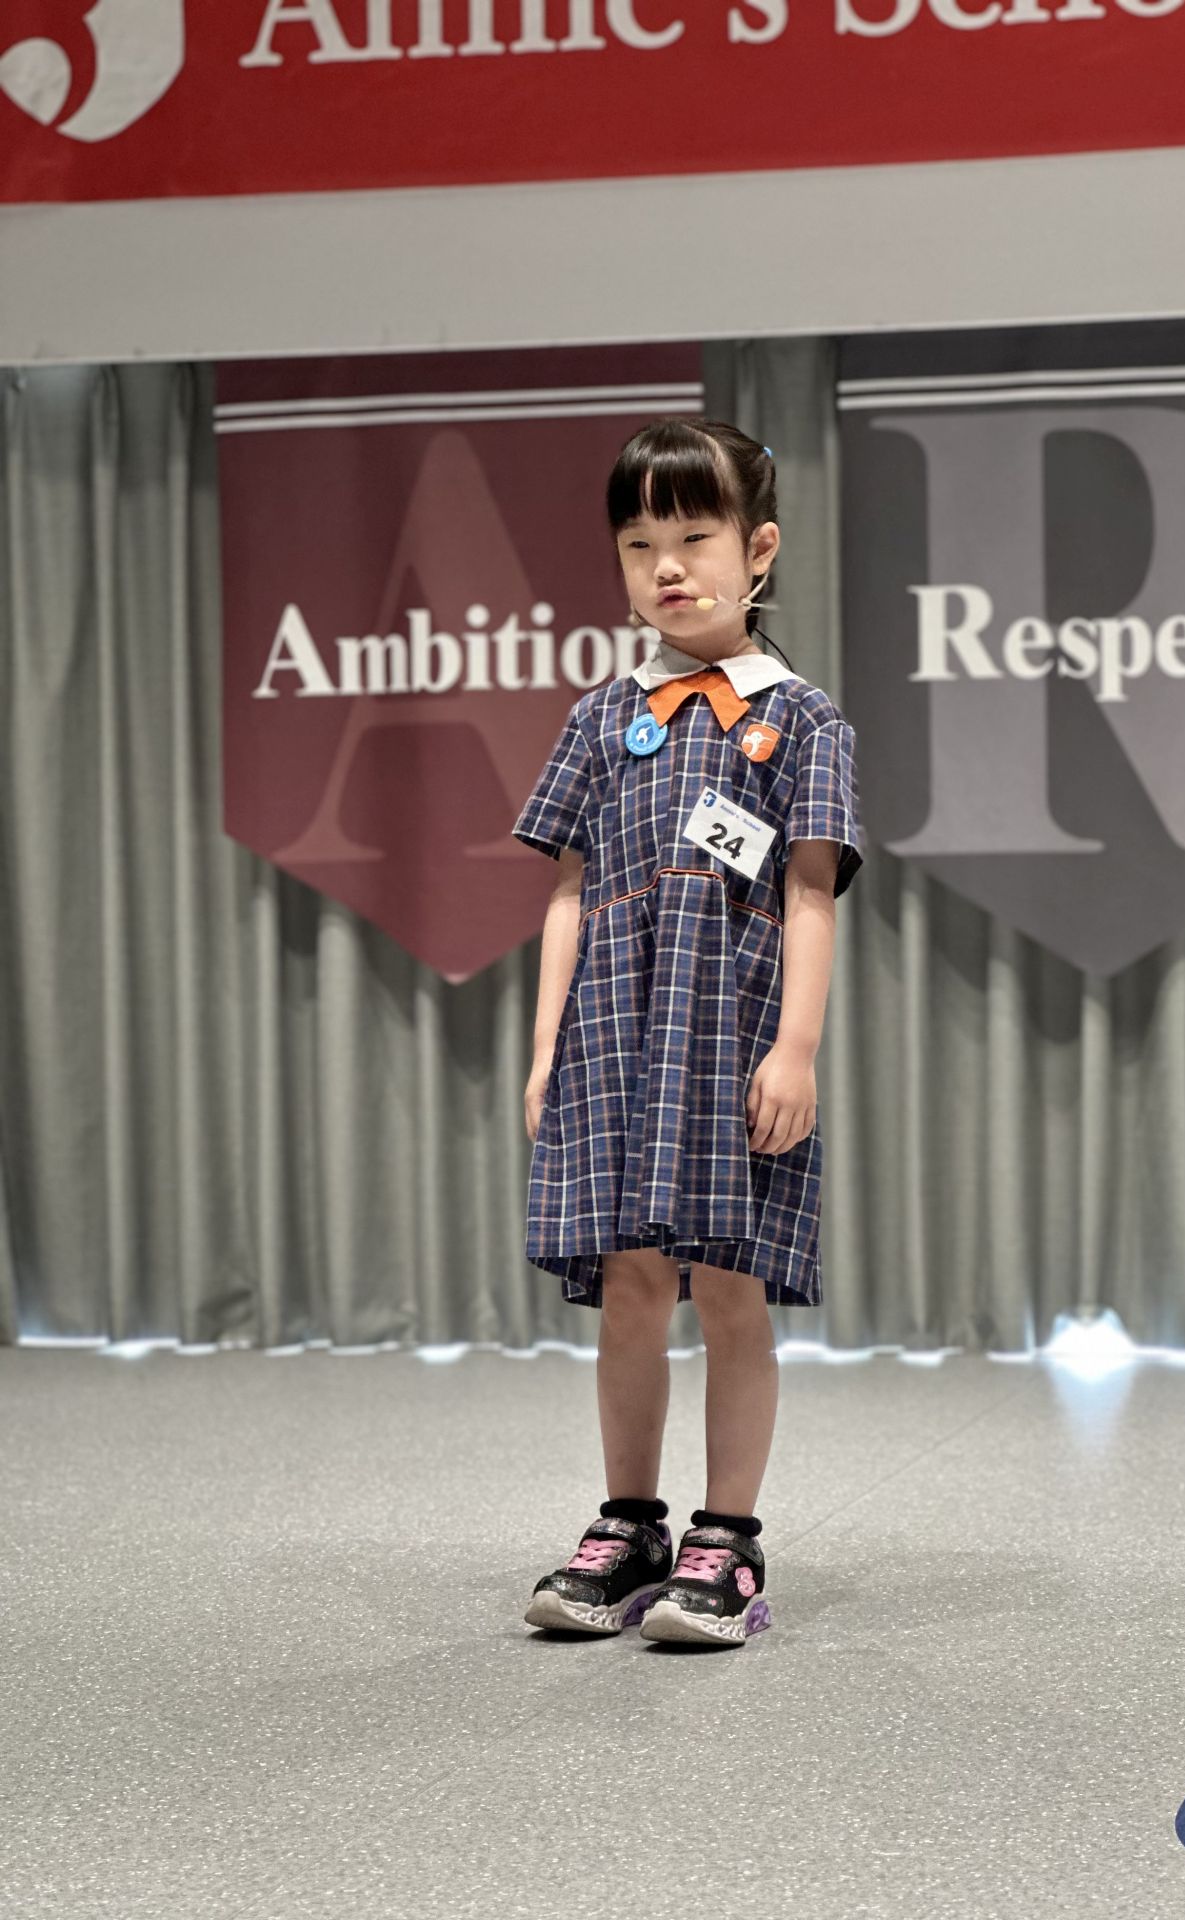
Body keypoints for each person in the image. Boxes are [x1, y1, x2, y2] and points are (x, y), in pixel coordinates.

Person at [510, 417, 864, 1648]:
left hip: (731, 1045)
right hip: (614, 1042)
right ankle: (628, 1527)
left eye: (695, 539)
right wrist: (547, 1049)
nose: (667, 567)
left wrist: (796, 1048)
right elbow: (568, 892)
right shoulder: (603, 719)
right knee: (629, 1285)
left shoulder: (803, 722)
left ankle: (730, 1543)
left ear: (757, 550)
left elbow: (812, 893)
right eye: (639, 544)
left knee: (727, 1288)